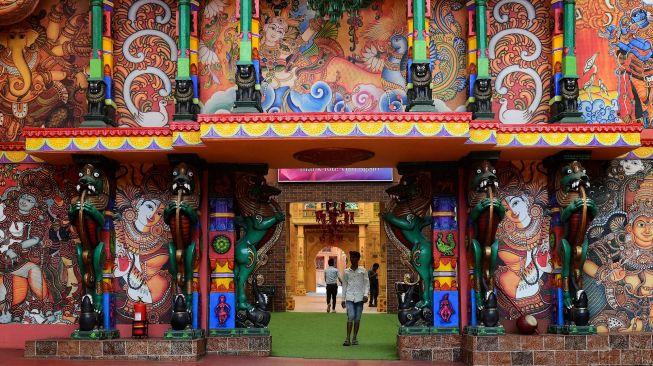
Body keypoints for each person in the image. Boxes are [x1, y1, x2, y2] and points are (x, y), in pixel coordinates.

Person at [341, 251, 369, 346]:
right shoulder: (346, 272)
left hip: (360, 298)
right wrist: (342, 299)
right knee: (351, 316)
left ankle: (354, 338)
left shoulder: (363, 271)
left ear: (358, 259)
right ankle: (347, 338)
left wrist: (366, 295)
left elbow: (366, 284)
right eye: (351, 257)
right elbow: (344, 285)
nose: (352, 259)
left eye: (354, 257)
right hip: (349, 298)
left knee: (357, 319)